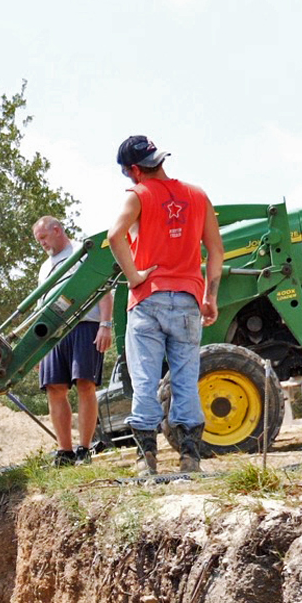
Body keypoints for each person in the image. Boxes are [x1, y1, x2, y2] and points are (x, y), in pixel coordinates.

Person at [109, 135, 221, 475]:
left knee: (144, 379)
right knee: (186, 379)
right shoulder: (198, 195)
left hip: (147, 301)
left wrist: (134, 277)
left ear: (133, 170)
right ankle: (190, 460)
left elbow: (115, 236)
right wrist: (210, 296)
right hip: (187, 301)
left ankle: (147, 463)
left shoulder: (138, 195)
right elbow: (216, 250)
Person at [32, 215, 113, 466]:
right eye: (39, 240)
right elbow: (40, 305)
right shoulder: (45, 267)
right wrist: (36, 346)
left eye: (44, 237)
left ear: (57, 230)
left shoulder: (84, 252)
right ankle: (64, 451)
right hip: (54, 332)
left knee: (85, 383)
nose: (42, 244)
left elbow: (103, 288)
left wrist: (105, 324)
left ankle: (84, 449)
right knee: (55, 388)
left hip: (85, 325)